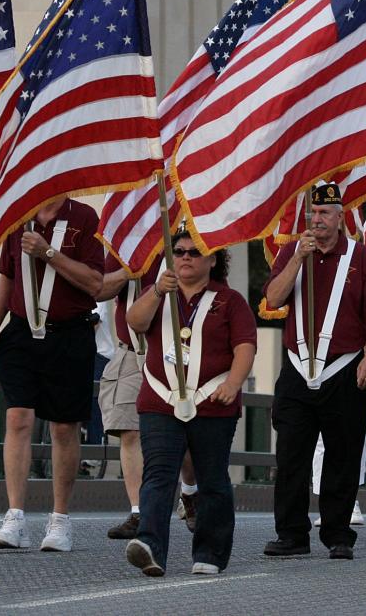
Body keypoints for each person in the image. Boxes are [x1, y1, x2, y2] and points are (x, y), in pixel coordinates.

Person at [262, 182, 366, 560]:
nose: (317, 220)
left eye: (325, 213)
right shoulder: (290, 252)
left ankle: (337, 534)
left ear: (340, 218)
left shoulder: (360, 257)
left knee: (343, 455)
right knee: (291, 455)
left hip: (346, 367)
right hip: (298, 367)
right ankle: (292, 534)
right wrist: (298, 259)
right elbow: (273, 299)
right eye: (313, 213)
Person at [123, 232, 256, 576]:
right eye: (179, 251)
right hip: (160, 401)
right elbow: (134, 323)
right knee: (158, 475)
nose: (185, 257)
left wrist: (233, 383)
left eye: (195, 252)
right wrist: (155, 290)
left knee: (212, 480)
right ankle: (150, 546)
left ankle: (210, 554)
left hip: (213, 400)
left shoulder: (230, 301)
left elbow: (245, 347)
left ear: (212, 260)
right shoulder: (159, 295)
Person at [0, 196, 104, 553]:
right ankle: (15, 516)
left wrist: (49, 252)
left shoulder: (83, 217)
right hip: (22, 331)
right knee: (18, 417)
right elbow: (7, 274)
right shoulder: (17, 216)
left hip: (70, 331)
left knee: (64, 426)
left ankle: (60, 520)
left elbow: (95, 281)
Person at [97, 255, 161, 540]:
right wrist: (128, 271)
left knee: (185, 431)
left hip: (178, 352)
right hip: (131, 352)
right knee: (130, 432)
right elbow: (100, 290)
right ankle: (139, 512)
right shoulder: (126, 243)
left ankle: (190, 493)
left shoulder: (187, 241)